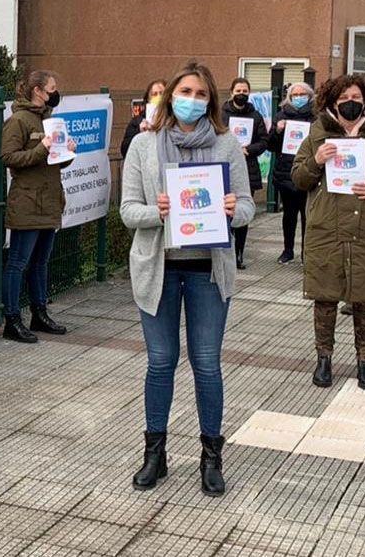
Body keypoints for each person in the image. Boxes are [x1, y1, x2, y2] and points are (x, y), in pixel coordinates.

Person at [121, 60, 254, 497]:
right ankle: (155, 454)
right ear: (169, 96)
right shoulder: (143, 145)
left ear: (211, 100)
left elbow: (249, 207)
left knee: (207, 364)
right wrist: (157, 213)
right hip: (159, 270)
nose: (191, 101)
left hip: (208, 274)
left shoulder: (225, 144)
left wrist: (235, 211)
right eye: (185, 92)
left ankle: (211, 456)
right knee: (160, 362)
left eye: (200, 95)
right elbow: (127, 211)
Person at [291, 74, 365, 391]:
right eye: (344, 97)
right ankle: (324, 359)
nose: (351, 102)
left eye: (357, 97)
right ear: (331, 101)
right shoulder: (317, 136)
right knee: (325, 296)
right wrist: (316, 161)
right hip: (326, 228)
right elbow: (299, 177)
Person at [1, 70, 69, 343]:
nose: (56, 92)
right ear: (38, 91)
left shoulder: (50, 120)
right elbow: (8, 157)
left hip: (50, 201)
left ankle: (39, 313)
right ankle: (12, 319)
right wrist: (42, 148)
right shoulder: (18, 121)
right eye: (52, 87)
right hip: (27, 203)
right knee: (18, 262)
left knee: (41, 262)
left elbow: (55, 161)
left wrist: (67, 153)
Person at [222, 77, 270, 269]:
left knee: (242, 213)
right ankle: (226, 253)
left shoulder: (255, 116)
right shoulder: (221, 114)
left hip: (247, 168)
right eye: (238, 91)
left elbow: (264, 141)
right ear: (231, 92)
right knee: (225, 211)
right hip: (223, 166)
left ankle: (239, 254)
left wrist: (248, 149)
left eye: (245, 91)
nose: (241, 94)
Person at [268, 82, 316, 264]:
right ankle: (288, 249)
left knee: (307, 215)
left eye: (302, 94)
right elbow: (271, 145)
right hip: (285, 172)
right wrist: (278, 130)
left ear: (310, 96)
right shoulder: (281, 115)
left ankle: (307, 252)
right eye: (295, 94)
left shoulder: (316, 117)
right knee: (289, 214)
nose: (298, 97)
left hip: (308, 170)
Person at [122, 79, 168, 158]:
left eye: (162, 93)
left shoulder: (174, 119)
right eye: (154, 94)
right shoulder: (137, 122)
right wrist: (138, 132)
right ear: (148, 99)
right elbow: (125, 150)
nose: (159, 97)